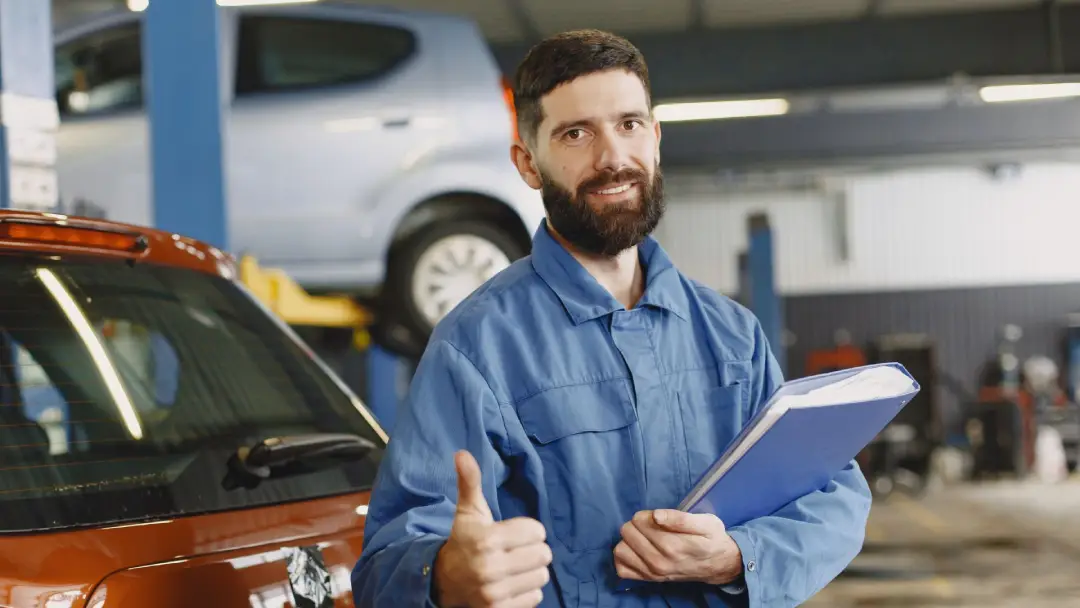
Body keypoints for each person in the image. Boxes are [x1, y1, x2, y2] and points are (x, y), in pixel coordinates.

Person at [351, 28, 872, 608]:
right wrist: (446, 576)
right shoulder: (476, 347)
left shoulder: (732, 335)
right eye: (576, 134)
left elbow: (833, 496)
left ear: (655, 138)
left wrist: (735, 555)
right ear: (528, 163)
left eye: (628, 125)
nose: (613, 158)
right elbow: (384, 568)